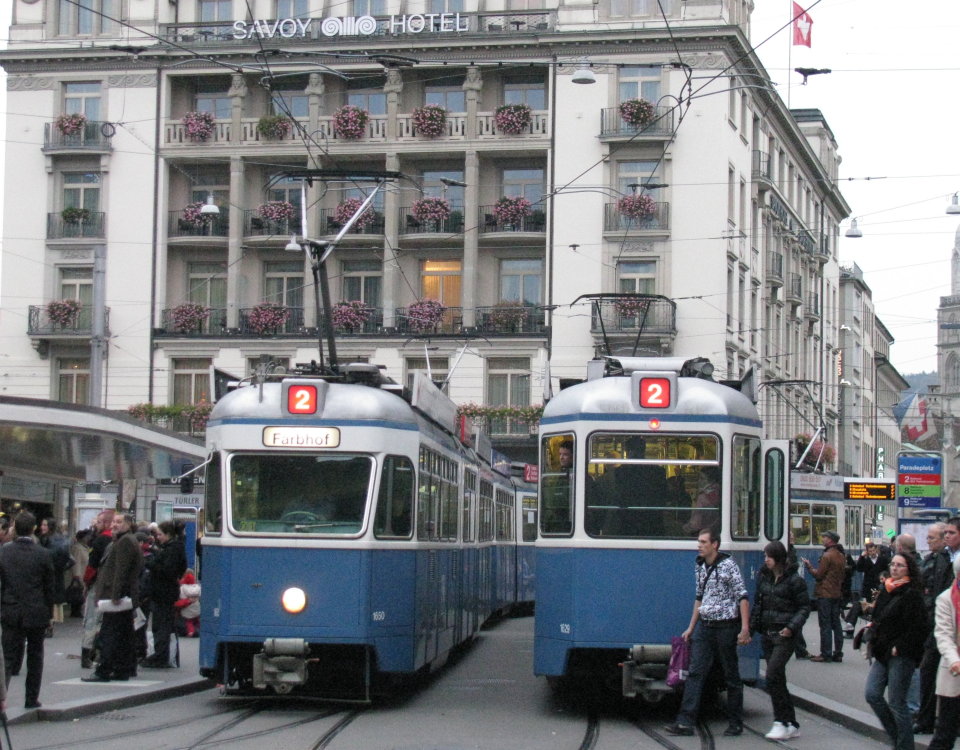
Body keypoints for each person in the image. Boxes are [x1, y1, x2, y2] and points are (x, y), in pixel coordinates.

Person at [664, 528, 751, 737]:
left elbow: (742, 596)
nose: (699, 545)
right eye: (698, 542)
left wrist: (744, 628)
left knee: (731, 674)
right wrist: (691, 627)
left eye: (703, 542)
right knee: (695, 672)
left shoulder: (729, 565)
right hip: (705, 626)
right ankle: (685, 722)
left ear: (715, 545)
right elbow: (699, 597)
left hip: (726, 626)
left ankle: (735, 722)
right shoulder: (700, 566)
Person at [865, 552, 927, 750]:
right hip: (882, 652)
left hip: (901, 655)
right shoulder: (887, 588)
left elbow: (918, 628)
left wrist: (899, 646)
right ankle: (898, 738)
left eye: (900, 565)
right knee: (872, 693)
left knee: (897, 703)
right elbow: (878, 618)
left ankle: (904, 746)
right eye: (893, 564)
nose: (894, 568)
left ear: (908, 568)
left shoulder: (912, 593)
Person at [751, 540, 810, 740]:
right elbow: (758, 605)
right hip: (768, 634)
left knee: (772, 674)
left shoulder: (794, 580)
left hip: (784, 635)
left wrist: (791, 627)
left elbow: (804, 607)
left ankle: (780, 721)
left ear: (777, 558)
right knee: (778, 679)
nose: (765, 559)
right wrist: (750, 630)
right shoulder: (764, 578)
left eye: (768, 556)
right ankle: (791, 723)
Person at [0, 511, 55, 709]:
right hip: (36, 611)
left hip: (10, 609)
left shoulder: (5, 551)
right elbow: (49, 587)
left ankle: (1, 698)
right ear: (33, 529)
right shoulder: (43, 554)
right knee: (35, 656)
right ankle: (31, 698)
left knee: (6, 657)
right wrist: (49, 614)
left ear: (15, 527)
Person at [82, 513, 143, 683]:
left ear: (128, 524)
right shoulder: (127, 540)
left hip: (117, 597)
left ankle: (104, 670)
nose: (115, 525)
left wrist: (115, 595)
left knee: (109, 633)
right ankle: (124, 668)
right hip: (124, 595)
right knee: (124, 633)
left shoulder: (124, 542)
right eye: (114, 522)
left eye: (119, 522)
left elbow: (121, 571)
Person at [917, 524, 954, 734]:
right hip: (936, 624)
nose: (929, 541)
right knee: (929, 671)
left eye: (932, 538)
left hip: (945, 624)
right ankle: (927, 720)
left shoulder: (945, 560)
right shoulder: (936, 559)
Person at [142, 521, 187, 668]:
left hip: (163, 592)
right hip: (165, 591)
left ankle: (161, 656)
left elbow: (167, 569)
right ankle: (162, 654)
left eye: (160, 534)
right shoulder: (173, 548)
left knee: (161, 625)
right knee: (163, 624)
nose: (158, 537)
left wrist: (150, 563)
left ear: (168, 534)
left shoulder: (172, 549)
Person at [928, 556, 960, 750]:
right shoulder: (946, 599)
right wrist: (955, 660)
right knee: (945, 734)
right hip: (954, 671)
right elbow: (943, 635)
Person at [804, 530, 846, 662]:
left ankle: (825, 653)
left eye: (825, 537)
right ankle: (838, 652)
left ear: (830, 540)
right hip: (836, 593)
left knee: (825, 625)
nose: (823, 539)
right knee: (836, 624)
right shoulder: (840, 555)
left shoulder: (827, 556)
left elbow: (819, 575)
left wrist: (809, 567)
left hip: (825, 594)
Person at [81, 510, 114, 669]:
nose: (96, 525)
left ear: (107, 523)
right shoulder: (116, 540)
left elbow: (92, 565)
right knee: (103, 621)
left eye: (100, 522)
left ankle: (87, 653)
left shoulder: (100, 540)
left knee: (92, 619)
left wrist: (86, 582)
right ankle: (100, 652)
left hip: (98, 584)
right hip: (111, 585)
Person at [683, 466, 721, 535]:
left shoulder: (702, 498)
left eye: (702, 478)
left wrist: (684, 527)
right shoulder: (720, 494)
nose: (699, 481)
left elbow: (695, 524)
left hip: (702, 533)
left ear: (711, 481)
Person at [175, 569, 201, 637]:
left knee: (189, 622)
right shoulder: (197, 588)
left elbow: (177, 604)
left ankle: (191, 632)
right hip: (197, 611)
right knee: (197, 621)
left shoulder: (181, 588)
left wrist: (188, 601)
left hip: (185, 614)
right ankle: (199, 630)